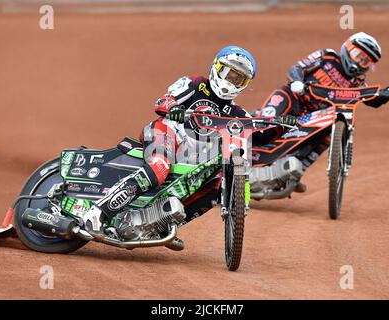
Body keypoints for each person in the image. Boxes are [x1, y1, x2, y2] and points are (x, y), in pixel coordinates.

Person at [82, 45, 294, 250]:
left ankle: (163, 225)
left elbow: (260, 136)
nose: (232, 81)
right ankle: (98, 213)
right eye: (230, 73)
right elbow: (164, 100)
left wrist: (284, 125)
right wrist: (173, 108)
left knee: (214, 187)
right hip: (167, 132)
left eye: (239, 78)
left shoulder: (236, 111)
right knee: (160, 167)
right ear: (217, 68)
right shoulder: (195, 83)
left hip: (191, 157)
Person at [256, 32, 389, 185]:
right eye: (358, 55)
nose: (359, 62)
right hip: (295, 100)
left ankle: (295, 171)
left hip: (313, 118)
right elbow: (298, 68)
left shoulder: (357, 84)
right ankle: (246, 143)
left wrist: (387, 93)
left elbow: (371, 99)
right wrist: (297, 82)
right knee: (268, 125)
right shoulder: (326, 57)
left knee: (330, 131)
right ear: (347, 48)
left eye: (365, 61)